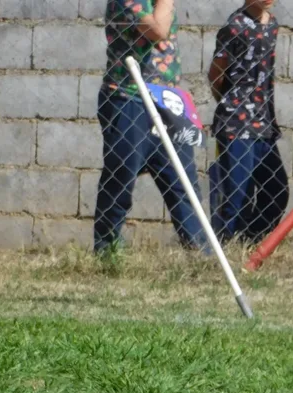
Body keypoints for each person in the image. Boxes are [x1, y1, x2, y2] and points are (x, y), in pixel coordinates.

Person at [95, 0, 208, 256]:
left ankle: (200, 252)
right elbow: (158, 30)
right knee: (121, 178)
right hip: (129, 98)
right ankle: (107, 251)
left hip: (167, 101)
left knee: (183, 183)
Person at [208, 0, 289, 245]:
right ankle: (225, 249)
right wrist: (233, 107)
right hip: (236, 125)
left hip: (265, 125)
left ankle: (250, 245)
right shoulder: (234, 26)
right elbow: (216, 74)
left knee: (277, 192)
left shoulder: (272, 25)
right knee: (237, 197)